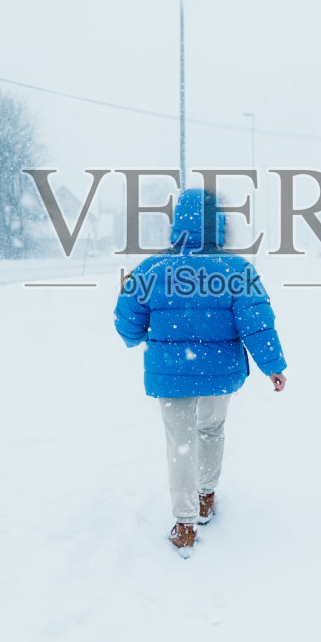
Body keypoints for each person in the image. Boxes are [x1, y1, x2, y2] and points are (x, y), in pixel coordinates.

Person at [114, 188, 287, 555]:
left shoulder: (151, 269)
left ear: (177, 225)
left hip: (170, 374)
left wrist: (136, 337)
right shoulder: (236, 269)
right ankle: (206, 495)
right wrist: (272, 365)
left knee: (179, 443)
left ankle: (185, 523)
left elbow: (127, 318)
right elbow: (257, 322)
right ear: (218, 227)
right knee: (211, 429)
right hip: (219, 373)